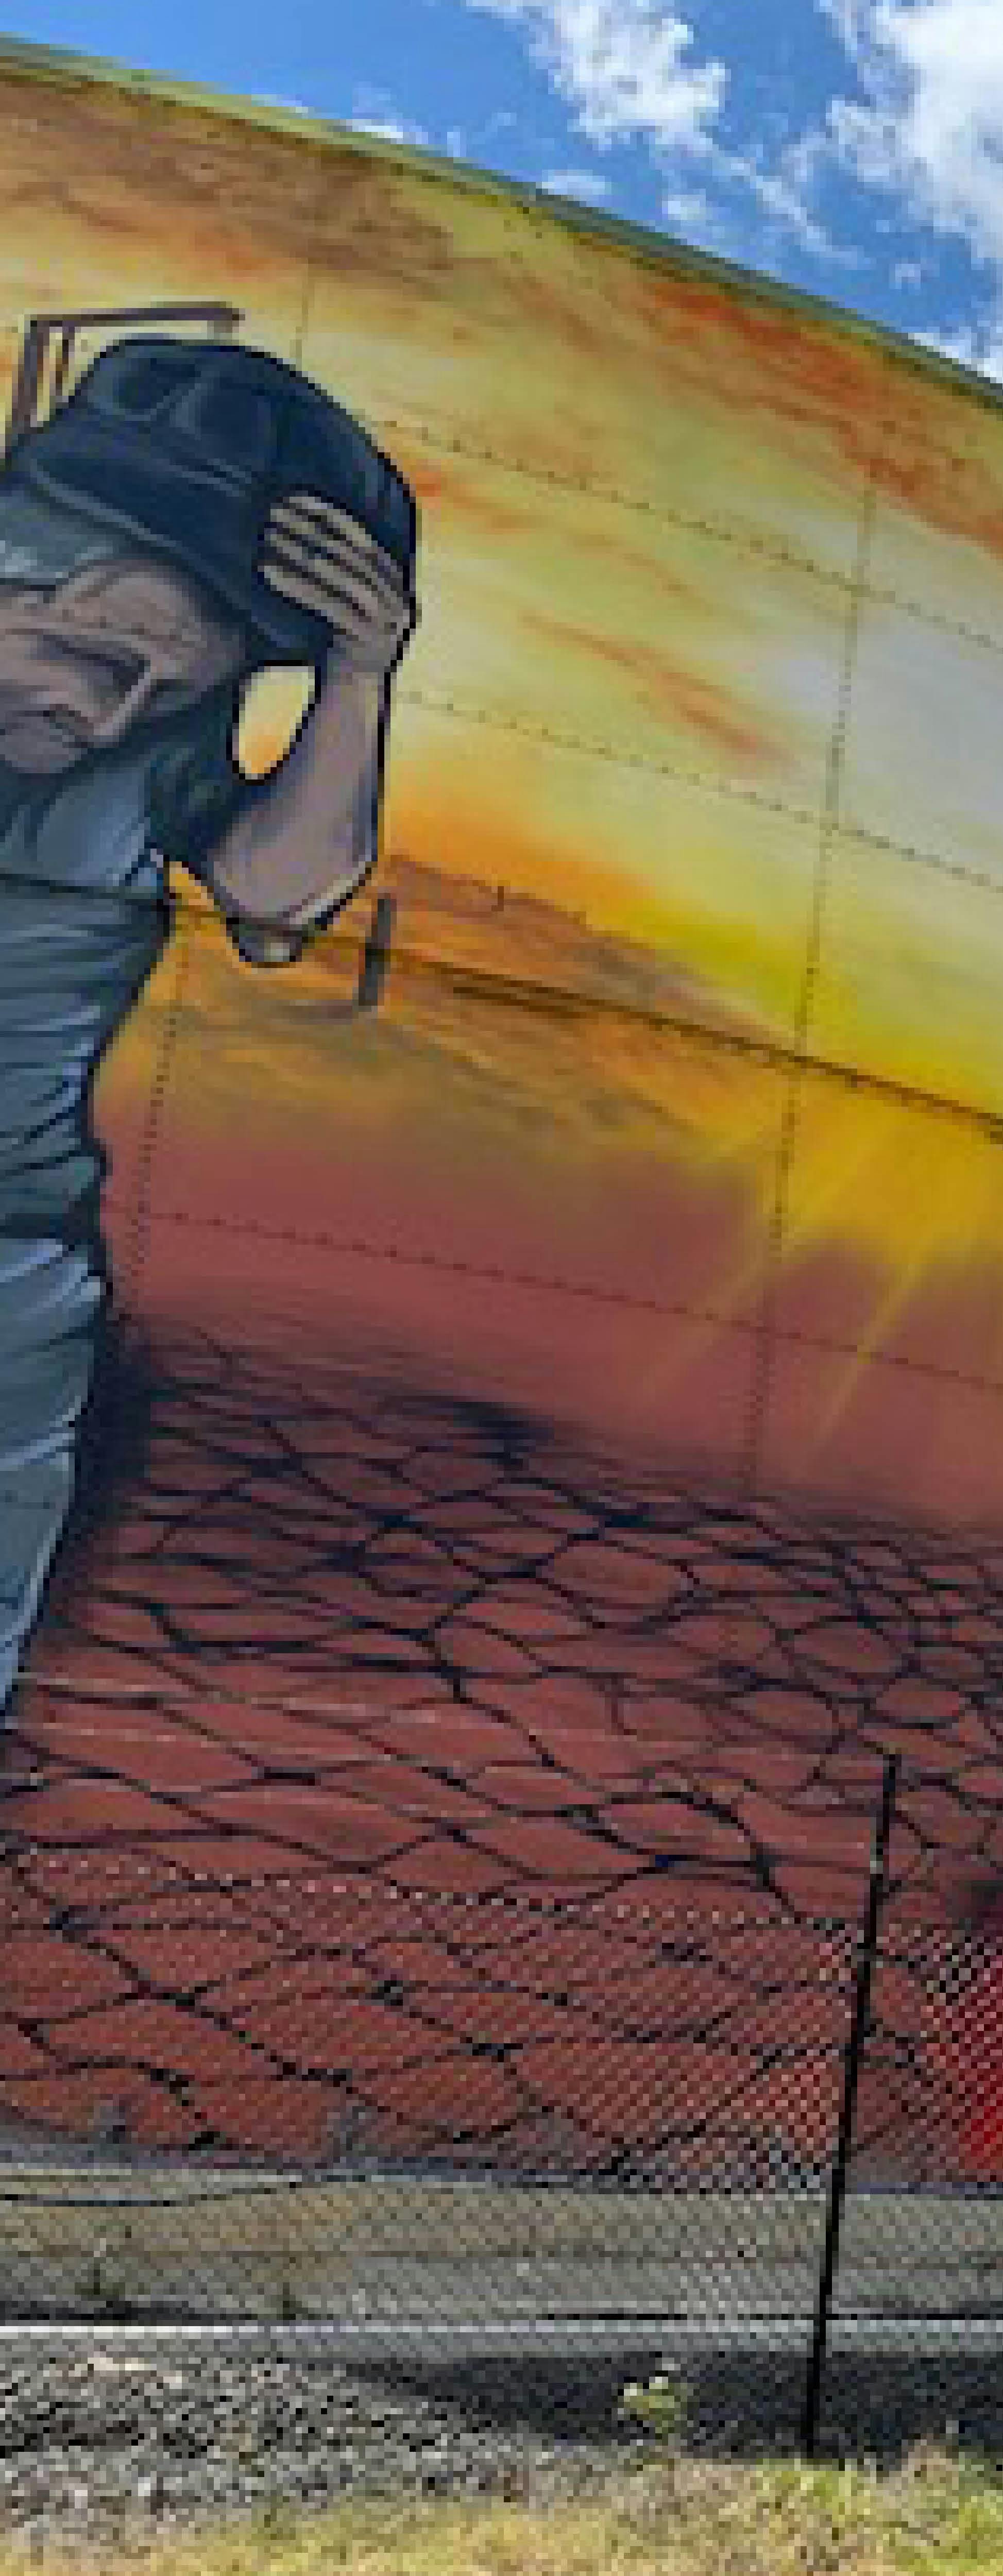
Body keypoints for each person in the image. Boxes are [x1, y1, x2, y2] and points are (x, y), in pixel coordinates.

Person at [0, 333, 417, 1714]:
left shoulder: (156, 742)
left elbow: (275, 894)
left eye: (173, 685)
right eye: (89, 651)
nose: (106, 712)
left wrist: (360, 678)